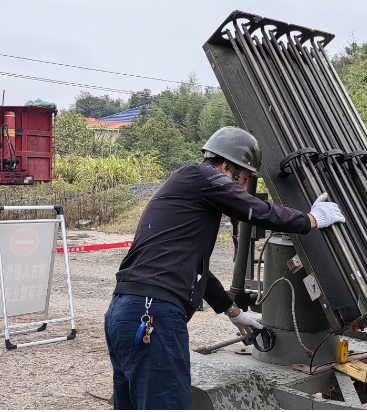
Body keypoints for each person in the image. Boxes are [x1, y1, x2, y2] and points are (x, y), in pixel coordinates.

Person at [104, 126, 346, 410]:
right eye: (243, 179)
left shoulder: (187, 200)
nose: (241, 188)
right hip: (153, 314)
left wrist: (234, 312)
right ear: (225, 165)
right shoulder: (201, 175)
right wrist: (310, 220)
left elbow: (197, 272)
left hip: (125, 313)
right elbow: (256, 210)